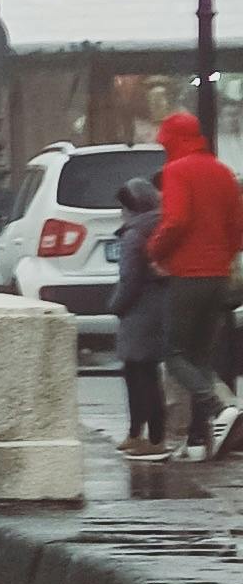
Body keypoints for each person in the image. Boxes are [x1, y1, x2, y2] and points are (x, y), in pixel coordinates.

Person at [147, 106, 243, 447]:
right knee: (201, 356)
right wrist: (224, 257)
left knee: (173, 354)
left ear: (173, 141)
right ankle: (204, 436)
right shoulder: (223, 173)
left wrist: (155, 252)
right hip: (219, 276)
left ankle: (219, 409)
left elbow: (175, 220)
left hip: (187, 274)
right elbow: (237, 229)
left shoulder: (177, 172)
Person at [112, 167, 168, 457]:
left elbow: (129, 279)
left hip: (138, 313)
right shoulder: (160, 225)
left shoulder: (134, 235)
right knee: (149, 372)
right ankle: (148, 435)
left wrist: (115, 306)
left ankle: (146, 436)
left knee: (137, 374)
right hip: (160, 309)